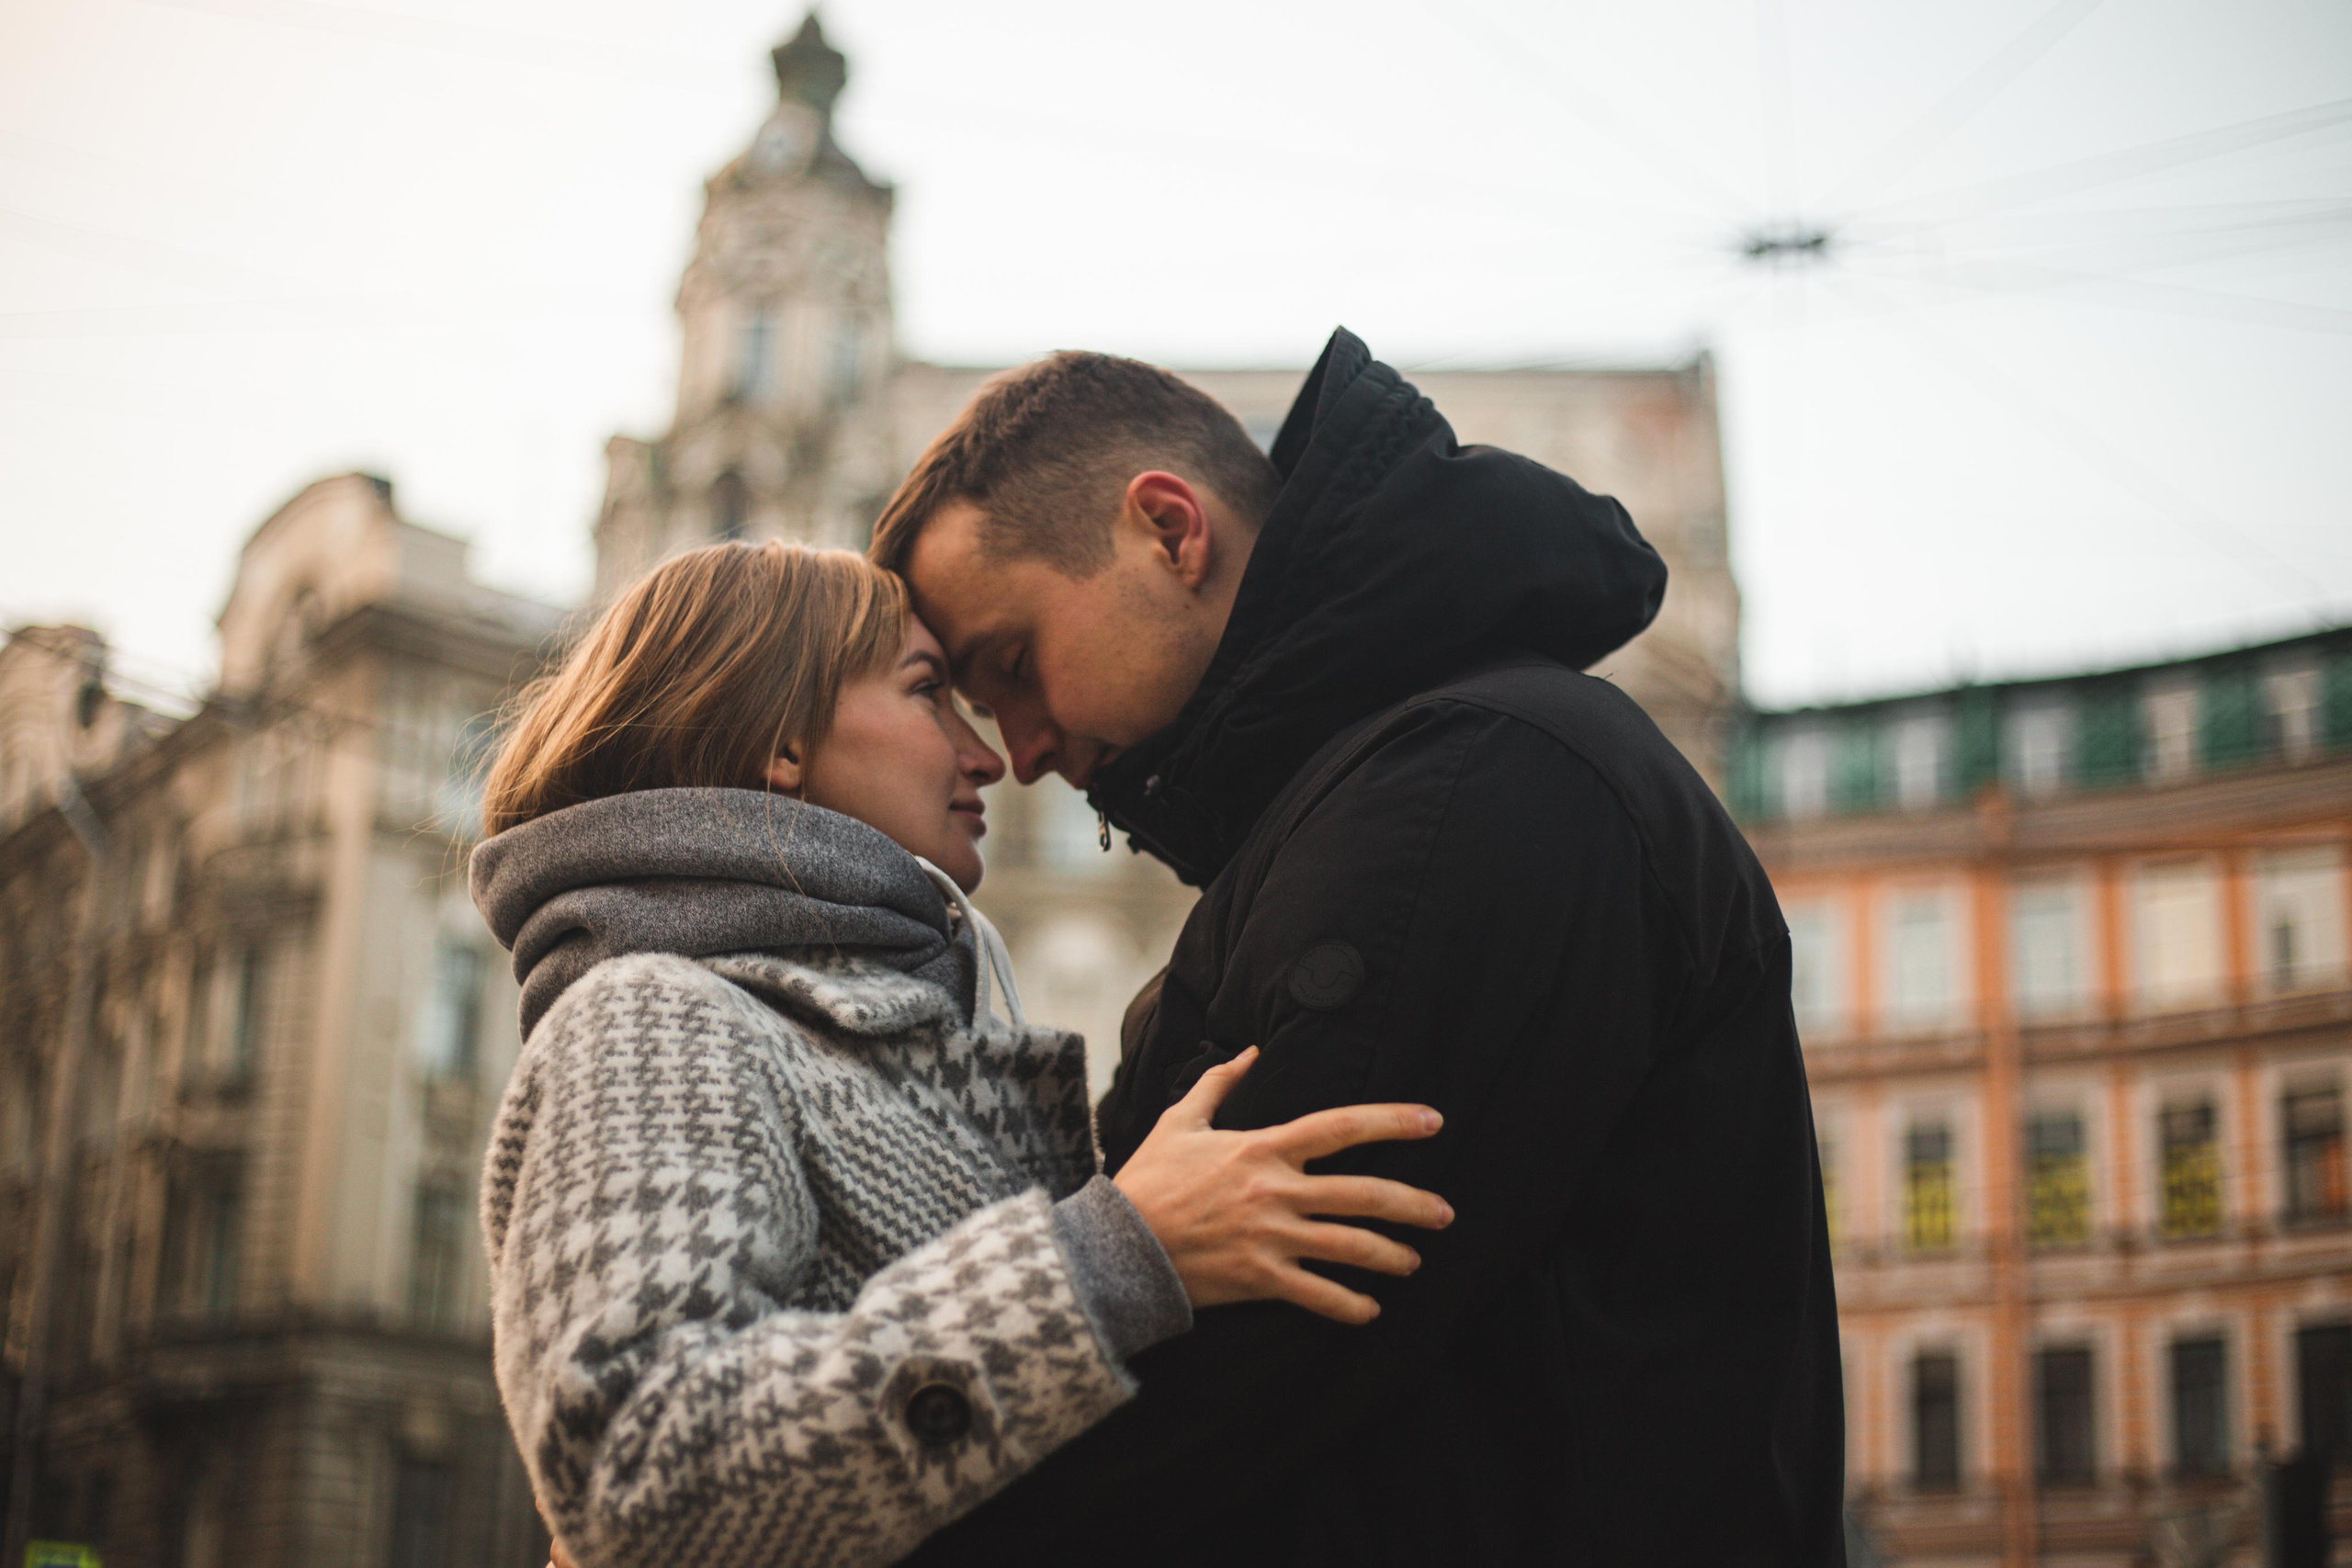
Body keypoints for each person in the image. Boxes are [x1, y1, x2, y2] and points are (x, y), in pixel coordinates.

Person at [870, 329, 1847, 1566]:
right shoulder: (1382, 792)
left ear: (1170, 530)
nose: (1017, 750)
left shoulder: (1467, 790)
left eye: (1012, 665)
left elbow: (1227, 1379)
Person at [469, 541, 1456, 1568]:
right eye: (928, 692)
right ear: (777, 739)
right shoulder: (655, 1013)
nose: (984, 755)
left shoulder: (907, 1016)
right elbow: (637, 1476)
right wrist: (1111, 1257)